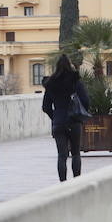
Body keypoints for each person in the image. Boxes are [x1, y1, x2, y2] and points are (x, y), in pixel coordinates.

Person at [41, 54, 91, 182]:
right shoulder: (75, 81)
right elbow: (86, 101)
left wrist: (55, 117)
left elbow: (46, 107)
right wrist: (80, 114)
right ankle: (76, 182)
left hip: (59, 122)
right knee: (75, 153)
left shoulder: (51, 83)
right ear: (70, 65)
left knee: (62, 155)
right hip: (74, 121)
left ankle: (62, 183)